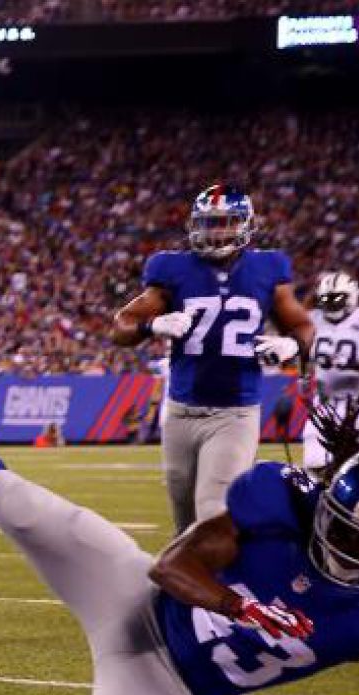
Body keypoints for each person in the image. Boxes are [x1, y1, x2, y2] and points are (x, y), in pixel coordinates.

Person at [0, 367, 359, 695]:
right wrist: (241, 608)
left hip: (162, 686)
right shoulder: (279, 504)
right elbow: (170, 567)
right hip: (134, 596)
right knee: (19, 503)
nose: (346, 545)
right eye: (342, 525)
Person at [110, 185, 314, 534]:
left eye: (225, 222)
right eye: (208, 222)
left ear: (244, 224)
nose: (216, 231)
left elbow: (304, 327)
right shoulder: (171, 268)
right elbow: (121, 327)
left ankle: (228, 570)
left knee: (214, 511)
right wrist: (151, 325)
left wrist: (292, 346)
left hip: (235, 413)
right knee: (185, 520)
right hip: (180, 411)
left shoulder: (268, 268)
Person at [302, 272, 359, 473]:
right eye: (326, 299)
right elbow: (299, 341)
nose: (331, 304)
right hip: (325, 405)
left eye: (337, 298)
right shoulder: (313, 319)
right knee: (315, 467)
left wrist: (353, 364)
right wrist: (303, 372)